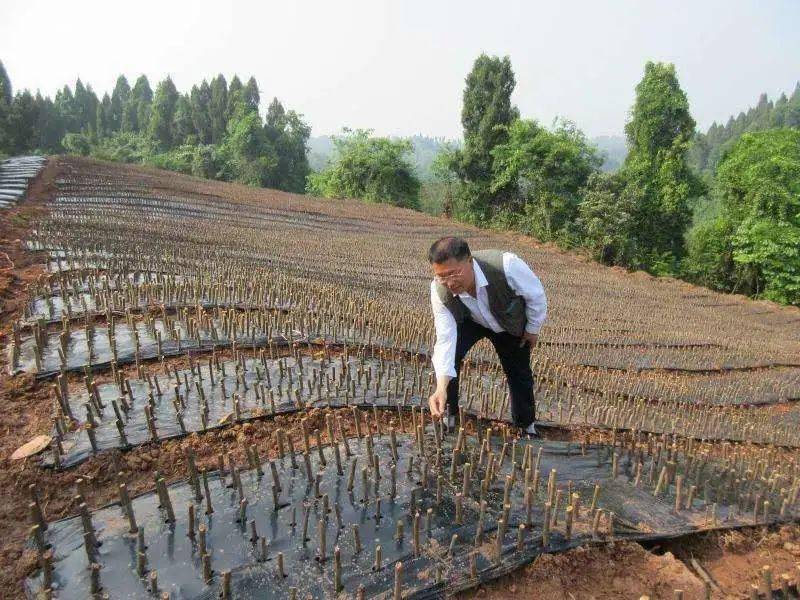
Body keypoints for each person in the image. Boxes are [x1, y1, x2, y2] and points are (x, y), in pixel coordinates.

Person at [427, 236, 547, 436]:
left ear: (470, 261)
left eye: (453, 273)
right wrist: (441, 388)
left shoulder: (506, 265)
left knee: (519, 372)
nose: (449, 282)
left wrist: (532, 329)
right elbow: (445, 339)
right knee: (451, 360)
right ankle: (449, 416)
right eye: (441, 276)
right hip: (471, 320)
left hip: (506, 321)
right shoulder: (439, 291)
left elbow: (536, 296)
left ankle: (526, 426)